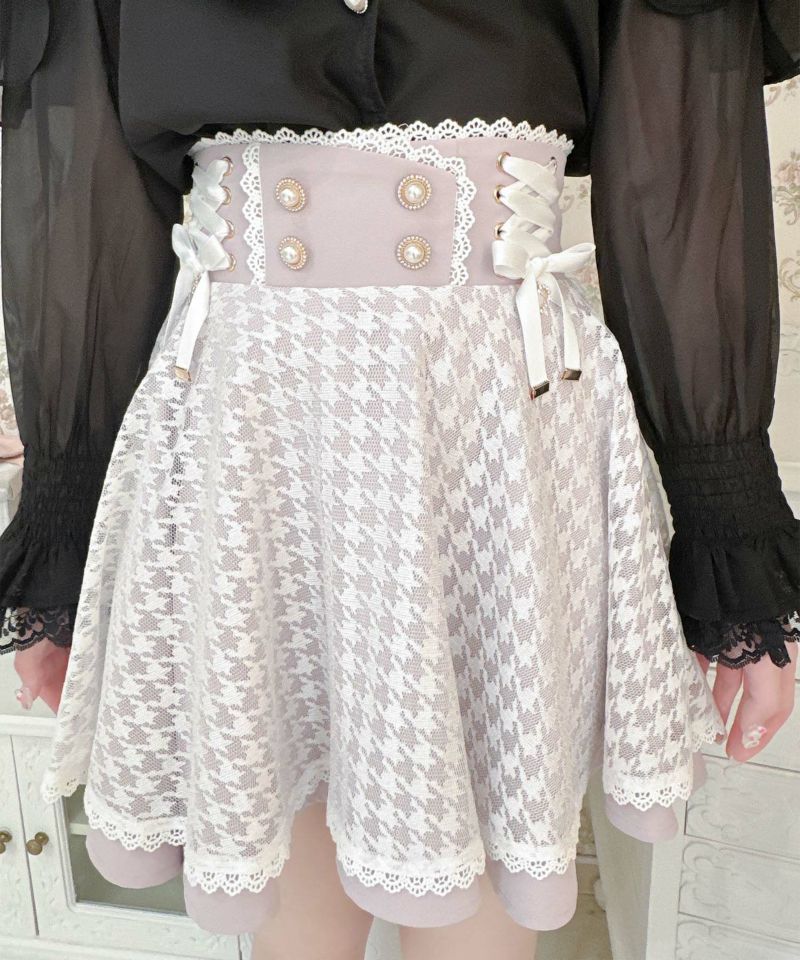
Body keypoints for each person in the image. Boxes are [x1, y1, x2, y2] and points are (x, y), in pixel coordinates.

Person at [1, 1, 798, 956]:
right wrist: (66, 532)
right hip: (252, 425)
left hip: (496, 418)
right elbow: (83, 187)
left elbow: (677, 170)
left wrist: (727, 521)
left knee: (492, 837)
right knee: (284, 808)